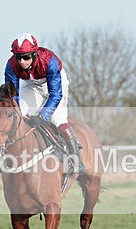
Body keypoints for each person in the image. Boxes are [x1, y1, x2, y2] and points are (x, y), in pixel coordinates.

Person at [4, 32, 82, 171]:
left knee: (57, 118)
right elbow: (13, 95)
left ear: (34, 54)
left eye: (26, 57)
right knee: (19, 115)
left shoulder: (49, 61)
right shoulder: (11, 65)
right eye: (18, 57)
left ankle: (76, 159)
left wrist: (42, 116)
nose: (22, 62)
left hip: (54, 84)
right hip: (31, 84)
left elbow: (55, 94)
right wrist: (20, 112)